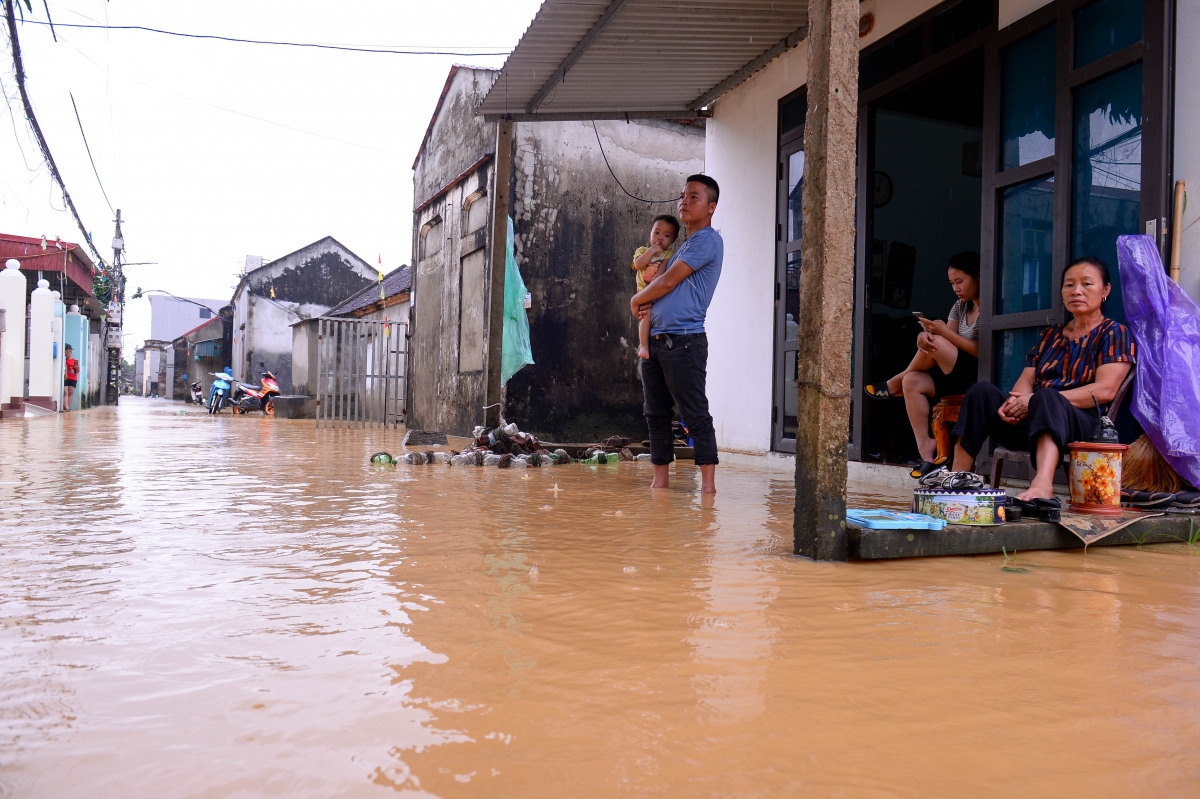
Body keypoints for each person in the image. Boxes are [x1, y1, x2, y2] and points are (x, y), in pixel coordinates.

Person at [950, 256, 1136, 501]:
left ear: (1106, 290)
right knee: (981, 392)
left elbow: (1105, 390)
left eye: (1086, 284)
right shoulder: (1050, 335)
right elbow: (1027, 379)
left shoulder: (1113, 332)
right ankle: (955, 477)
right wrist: (1016, 402)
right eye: (1069, 285)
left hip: (1081, 423)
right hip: (1033, 417)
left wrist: (1036, 399)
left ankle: (1042, 485)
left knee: (1047, 397)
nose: (1076, 291)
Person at [630, 175, 722, 493]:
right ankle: (660, 483)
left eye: (694, 196)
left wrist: (636, 299)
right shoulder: (683, 246)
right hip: (657, 340)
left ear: (711, 207)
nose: (684, 200)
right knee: (655, 414)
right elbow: (658, 282)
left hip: (684, 340)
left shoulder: (707, 241)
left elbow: (666, 283)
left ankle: (708, 489)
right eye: (683, 195)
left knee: (694, 412)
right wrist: (646, 299)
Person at [865, 252, 981, 475]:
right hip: (953, 371)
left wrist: (941, 333)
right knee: (912, 381)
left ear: (977, 277)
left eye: (960, 282)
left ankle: (893, 381)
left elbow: (980, 350)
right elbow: (949, 341)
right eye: (952, 283)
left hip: (978, 372)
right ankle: (926, 451)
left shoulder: (990, 307)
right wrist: (925, 337)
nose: (956, 288)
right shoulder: (959, 307)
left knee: (936, 341)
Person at [631, 215, 681, 360]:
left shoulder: (669, 253)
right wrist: (652, 250)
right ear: (650, 232)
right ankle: (644, 345)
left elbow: (662, 272)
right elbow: (639, 265)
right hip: (643, 292)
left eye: (666, 235)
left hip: (658, 290)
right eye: (656, 233)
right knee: (646, 316)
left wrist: (655, 287)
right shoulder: (642, 250)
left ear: (673, 240)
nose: (660, 238)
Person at [62, 344, 79, 412]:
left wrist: (76, 367)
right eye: (67, 351)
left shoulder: (74, 361)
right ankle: (66, 407)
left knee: (70, 393)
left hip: (72, 378)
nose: (68, 353)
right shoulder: (63, 360)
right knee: (66, 392)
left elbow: (77, 371)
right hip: (66, 378)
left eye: (69, 351)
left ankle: (67, 407)